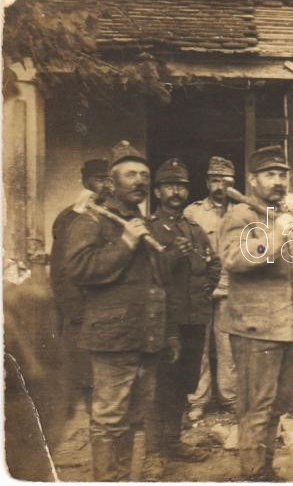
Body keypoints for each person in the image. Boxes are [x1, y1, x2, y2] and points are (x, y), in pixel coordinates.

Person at [65, 140, 179, 481]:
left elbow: (161, 284)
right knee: (109, 419)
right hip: (113, 338)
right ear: (111, 183)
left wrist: (170, 333)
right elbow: (79, 269)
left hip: (147, 338)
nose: (140, 181)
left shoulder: (146, 223)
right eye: (130, 174)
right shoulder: (92, 220)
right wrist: (126, 243)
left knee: (134, 417)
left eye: (144, 175)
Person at [217, 145, 293, 480]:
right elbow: (233, 259)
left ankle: (265, 472)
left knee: (277, 407)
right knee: (256, 408)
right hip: (256, 329)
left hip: (288, 326)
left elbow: (292, 269)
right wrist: (278, 233)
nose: (278, 181)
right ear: (253, 180)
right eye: (270, 174)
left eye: (282, 175)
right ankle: (253, 476)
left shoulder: (278, 216)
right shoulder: (240, 217)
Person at [147, 158, 220, 471]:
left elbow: (214, 265)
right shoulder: (150, 229)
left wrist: (204, 293)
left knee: (183, 384)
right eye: (169, 186)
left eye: (181, 186)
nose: (176, 192)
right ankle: (153, 454)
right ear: (157, 192)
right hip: (165, 320)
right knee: (160, 385)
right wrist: (171, 256)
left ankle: (173, 442)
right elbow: (147, 275)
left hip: (194, 318)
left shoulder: (195, 230)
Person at [50, 159, 113, 410]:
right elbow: (61, 269)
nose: (106, 186)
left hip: (109, 306)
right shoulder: (70, 217)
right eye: (100, 179)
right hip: (82, 305)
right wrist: (74, 309)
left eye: (109, 180)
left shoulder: (115, 216)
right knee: (86, 368)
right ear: (85, 182)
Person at [185, 156, 238, 420]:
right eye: (215, 181)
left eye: (225, 182)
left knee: (229, 345)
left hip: (232, 288)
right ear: (207, 183)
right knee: (199, 346)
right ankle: (198, 400)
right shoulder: (193, 213)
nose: (220, 187)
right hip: (202, 288)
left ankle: (230, 398)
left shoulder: (242, 212)